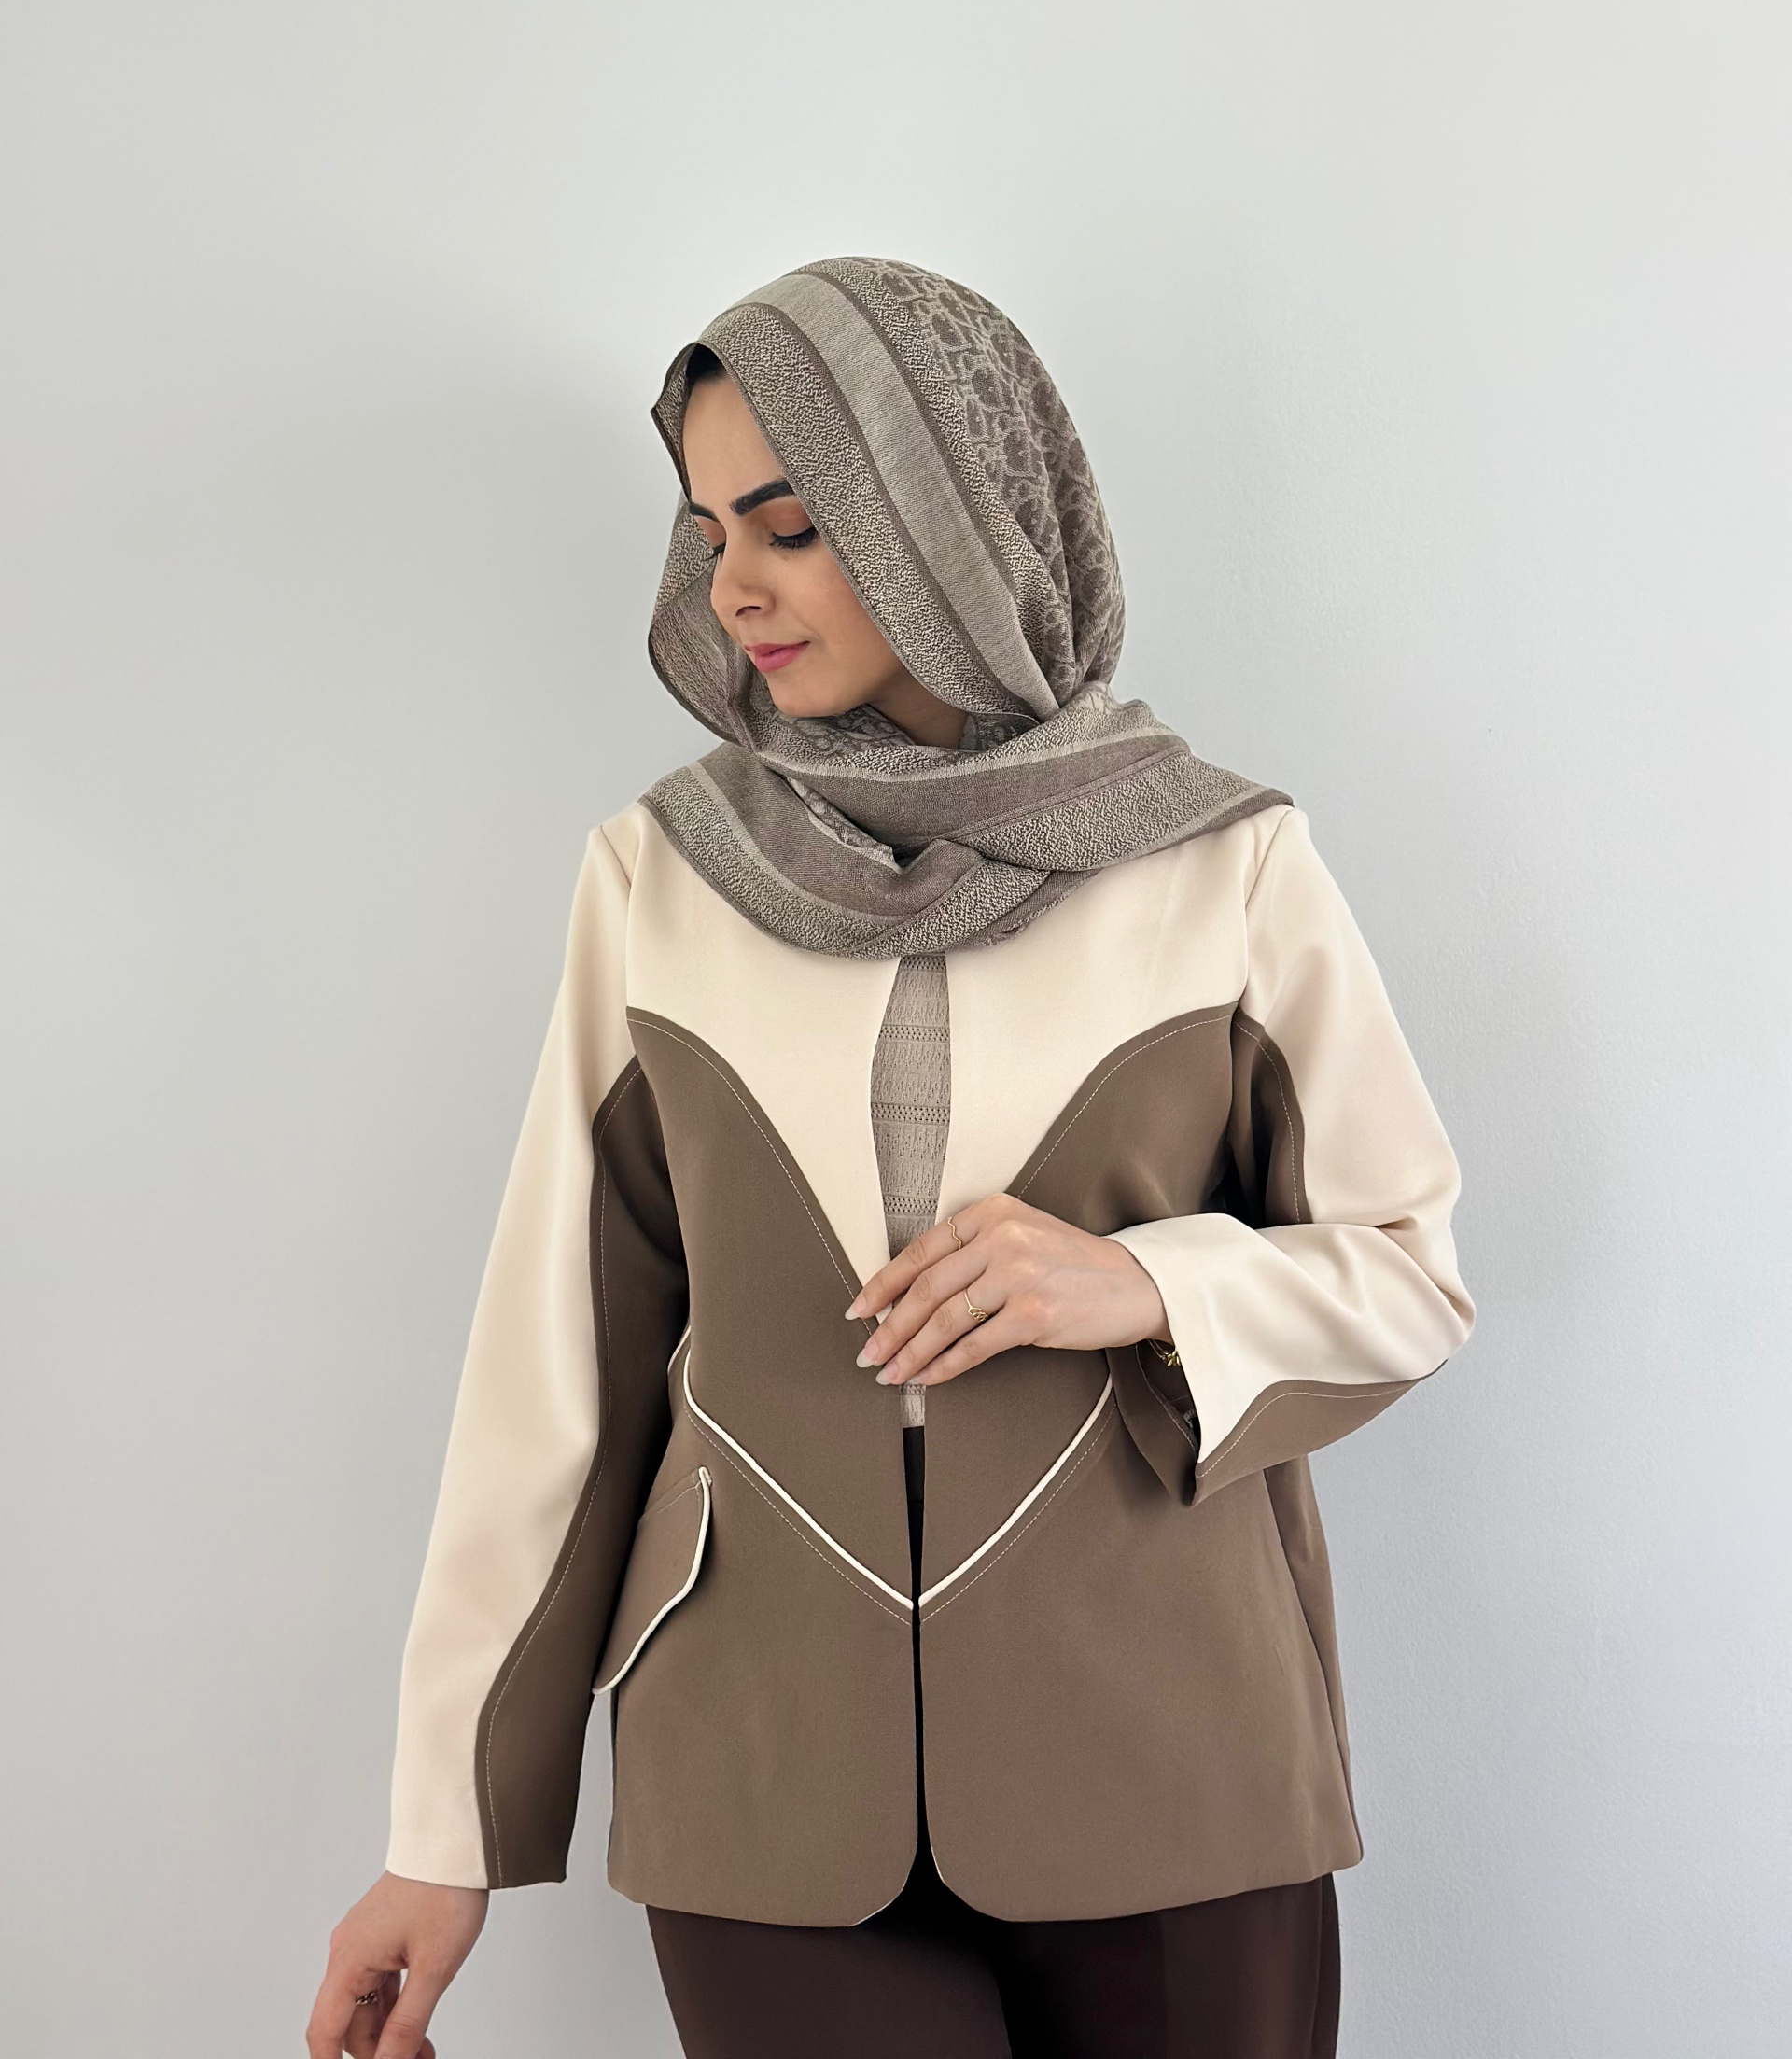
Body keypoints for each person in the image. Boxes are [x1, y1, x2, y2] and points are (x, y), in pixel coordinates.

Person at [307, 258, 1473, 2059]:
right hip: (765, 1782)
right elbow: (555, 1380)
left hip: (1174, 1752)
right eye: (709, 531)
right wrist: (439, 1840)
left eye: (793, 525)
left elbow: (1408, 1270)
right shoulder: (660, 879)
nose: (734, 585)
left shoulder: (1220, 862)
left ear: (955, 518)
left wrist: (1141, 1279)